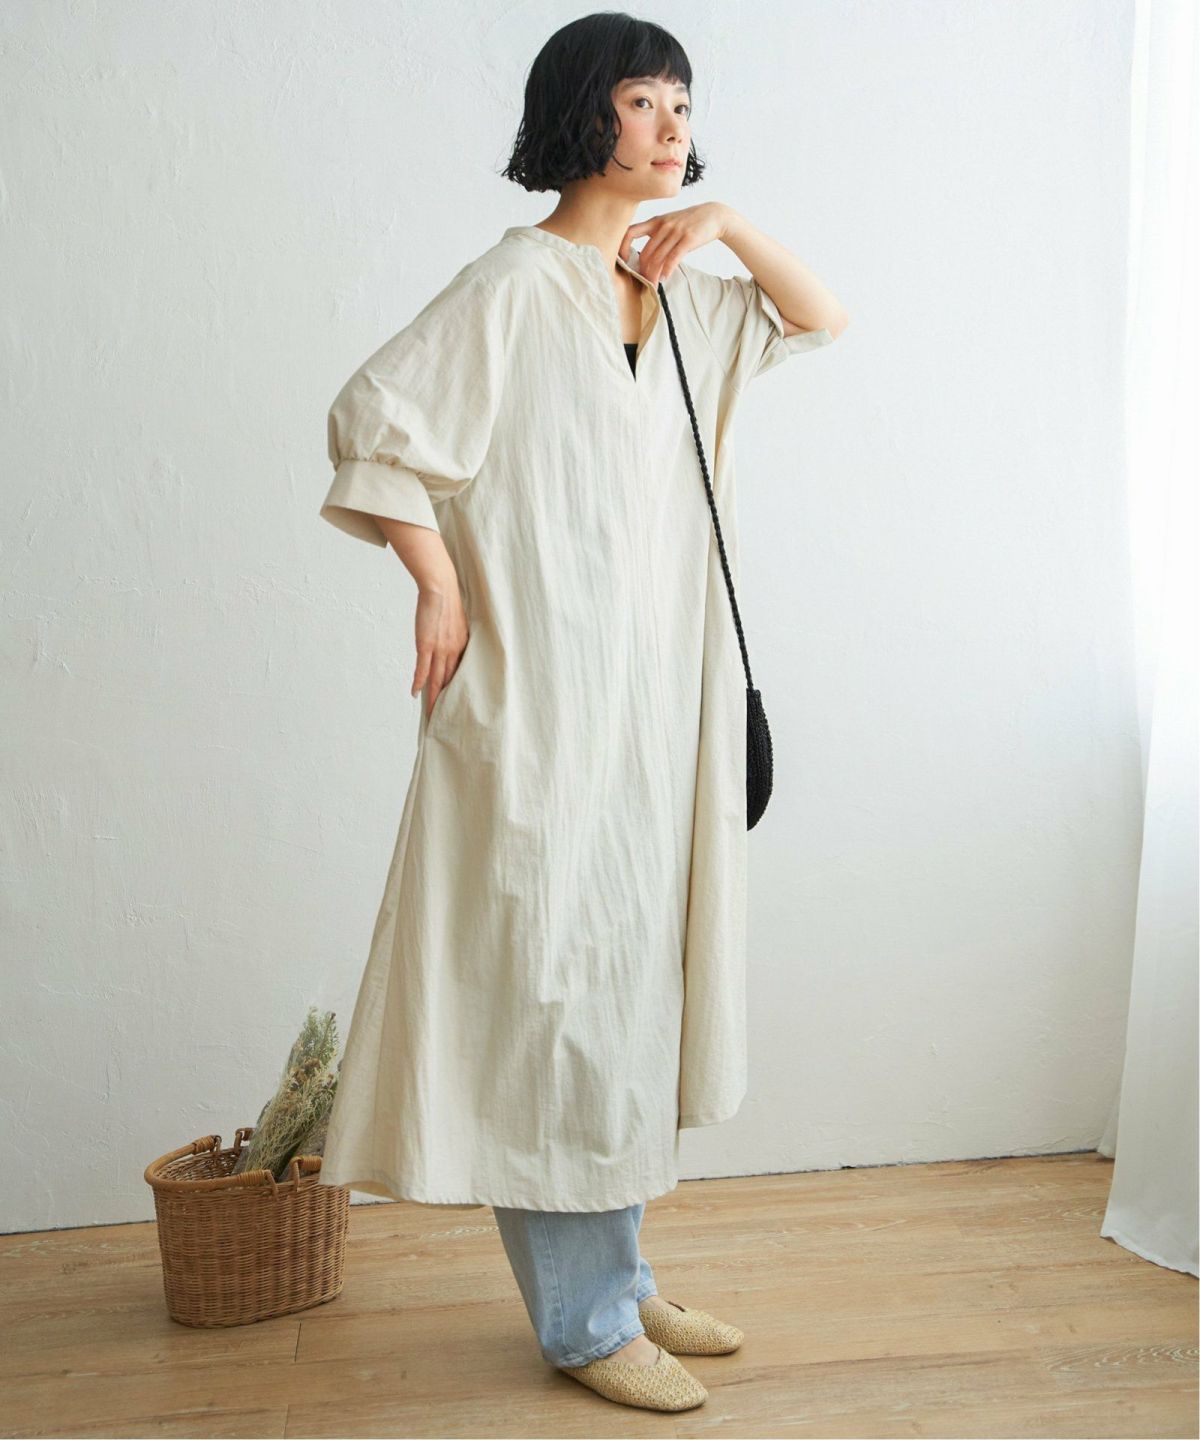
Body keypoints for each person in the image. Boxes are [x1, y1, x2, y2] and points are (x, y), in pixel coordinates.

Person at [316, 11, 848, 1414]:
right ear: (581, 114)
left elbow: (820, 317)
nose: (672, 128)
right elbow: (376, 422)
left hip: (652, 710)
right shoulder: (514, 284)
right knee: (549, 995)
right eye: (643, 101)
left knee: (622, 990)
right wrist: (435, 579)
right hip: (535, 699)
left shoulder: (684, 299)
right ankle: (585, 1319)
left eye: (684, 105)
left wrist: (726, 224)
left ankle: (618, 1271)